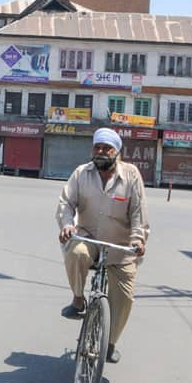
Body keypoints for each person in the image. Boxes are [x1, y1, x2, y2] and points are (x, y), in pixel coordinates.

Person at [55, 127, 149, 364]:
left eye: (106, 149)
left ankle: (110, 343)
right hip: (89, 237)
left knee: (125, 298)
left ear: (117, 152)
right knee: (75, 252)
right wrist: (67, 225)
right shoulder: (81, 173)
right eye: (97, 148)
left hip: (121, 245)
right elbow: (66, 203)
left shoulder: (131, 175)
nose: (101, 152)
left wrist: (138, 240)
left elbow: (139, 213)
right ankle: (78, 299)